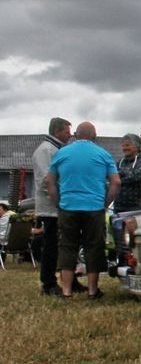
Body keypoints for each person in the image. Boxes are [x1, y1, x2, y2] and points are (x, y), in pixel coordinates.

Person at [46, 122, 119, 299]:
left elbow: (50, 182)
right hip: (94, 207)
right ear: (94, 135)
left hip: (68, 206)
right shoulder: (103, 154)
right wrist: (105, 203)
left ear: (76, 135)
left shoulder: (61, 153)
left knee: (67, 246)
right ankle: (93, 291)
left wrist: (59, 203)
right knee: (93, 246)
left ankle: (66, 291)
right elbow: (116, 182)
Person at [33, 117, 71, 295]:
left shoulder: (56, 149)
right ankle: (48, 282)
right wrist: (61, 199)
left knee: (65, 245)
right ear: (57, 132)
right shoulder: (46, 150)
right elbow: (46, 181)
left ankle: (70, 279)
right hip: (51, 207)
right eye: (66, 131)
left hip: (59, 204)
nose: (70, 135)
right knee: (51, 245)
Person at [114, 133, 141, 214]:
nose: (124, 148)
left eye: (127, 145)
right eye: (123, 146)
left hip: (136, 206)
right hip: (118, 205)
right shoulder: (120, 161)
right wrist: (125, 175)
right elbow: (113, 176)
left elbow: (137, 176)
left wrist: (121, 174)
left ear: (137, 146)